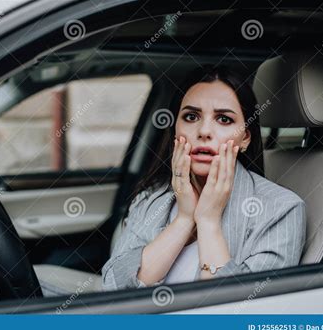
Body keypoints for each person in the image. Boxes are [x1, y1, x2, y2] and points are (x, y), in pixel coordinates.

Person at [102, 65, 306, 290]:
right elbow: (113, 288)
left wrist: (208, 223)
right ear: (176, 131)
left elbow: (244, 312)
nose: (204, 131)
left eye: (224, 119)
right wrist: (183, 220)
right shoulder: (151, 198)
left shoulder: (282, 209)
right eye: (191, 116)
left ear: (245, 138)